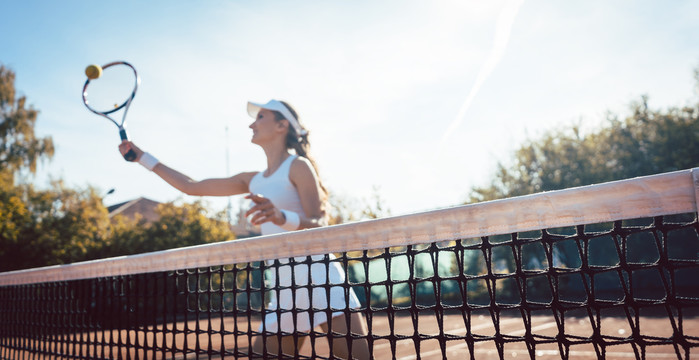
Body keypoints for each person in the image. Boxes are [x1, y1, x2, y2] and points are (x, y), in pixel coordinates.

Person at [119, 99, 370, 359]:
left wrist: (282, 216)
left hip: (320, 279)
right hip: (284, 286)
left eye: (260, 116)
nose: (252, 123)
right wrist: (141, 158)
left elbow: (320, 224)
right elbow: (191, 186)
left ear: (282, 125)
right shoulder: (252, 180)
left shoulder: (298, 166)